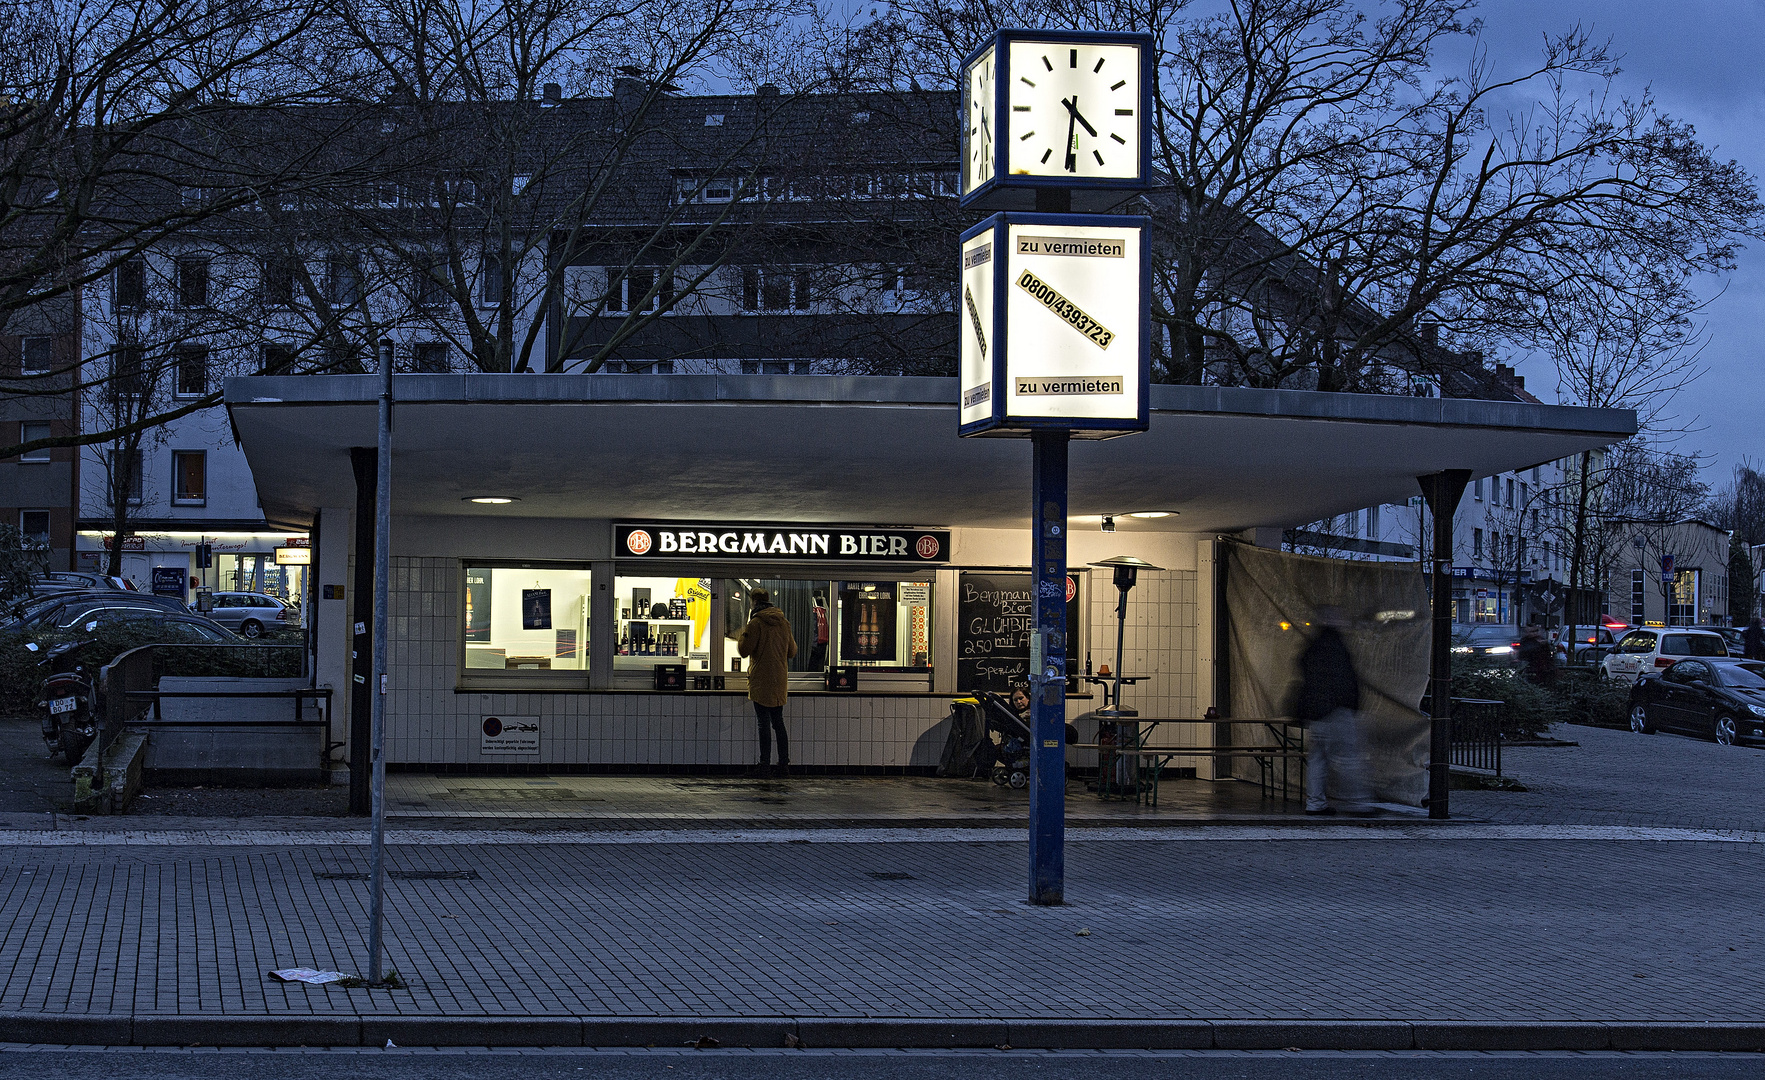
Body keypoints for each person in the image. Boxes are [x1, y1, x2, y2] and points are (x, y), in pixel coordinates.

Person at [1294, 605, 1371, 816]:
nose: (1343, 619)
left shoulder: (1313, 645)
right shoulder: (1334, 644)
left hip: (1315, 712)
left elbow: (1303, 667)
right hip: (1336, 711)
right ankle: (1358, 804)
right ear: (1330, 619)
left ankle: (1315, 803)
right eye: (1338, 616)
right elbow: (1344, 680)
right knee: (1348, 758)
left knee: (1317, 759)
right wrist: (1349, 703)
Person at [737, 587, 798, 777]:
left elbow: (744, 650)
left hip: (761, 680)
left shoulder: (755, 623)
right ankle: (783, 765)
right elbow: (792, 652)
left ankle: (764, 766)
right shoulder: (784, 623)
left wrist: (741, 635)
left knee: (763, 724)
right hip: (779, 680)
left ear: (753, 602)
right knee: (778, 723)